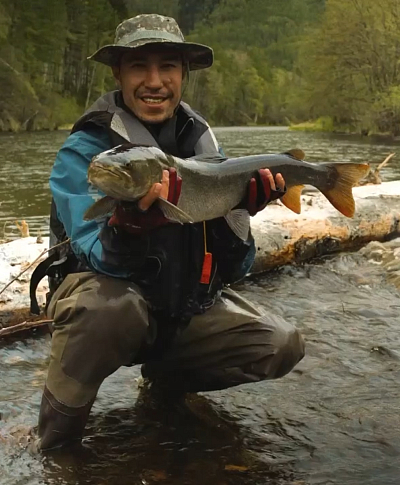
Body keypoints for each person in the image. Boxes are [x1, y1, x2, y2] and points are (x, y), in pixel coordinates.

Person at [29, 14, 305, 453]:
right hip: (110, 310)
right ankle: (53, 443)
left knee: (280, 343)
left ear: (184, 74)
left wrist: (239, 214)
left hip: (180, 309)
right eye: (139, 66)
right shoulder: (84, 153)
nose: (154, 81)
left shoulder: (205, 150)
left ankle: (164, 389)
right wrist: (132, 226)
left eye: (168, 67)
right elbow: (98, 256)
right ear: (118, 73)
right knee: (113, 311)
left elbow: (236, 267)